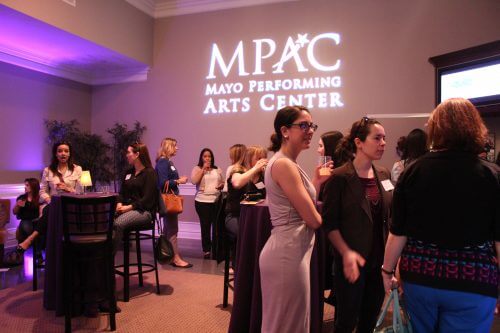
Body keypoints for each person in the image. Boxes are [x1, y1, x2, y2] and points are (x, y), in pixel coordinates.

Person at [382, 98, 499, 333]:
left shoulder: (412, 172)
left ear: (435, 129)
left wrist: (387, 270)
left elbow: (398, 232)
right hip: (474, 281)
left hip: (420, 278)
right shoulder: (492, 175)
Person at [322, 117, 393, 333]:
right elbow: (330, 224)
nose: (383, 143)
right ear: (359, 142)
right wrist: (346, 253)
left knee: (369, 321)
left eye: (384, 138)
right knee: (345, 322)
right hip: (351, 264)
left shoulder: (384, 174)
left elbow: (388, 219)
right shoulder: (340, 177)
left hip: (378, 263)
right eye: (377, 138)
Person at [259, 105, 322, 333]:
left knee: (289, 323)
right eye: (303, 125)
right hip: (287, 253)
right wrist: (325, 218)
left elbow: (303, 204)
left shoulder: (288, 162)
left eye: (311, 125)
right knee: (286, 326)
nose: (310, 131)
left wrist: (316, 182)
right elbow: (312, 219)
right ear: (285, 131)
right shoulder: (284, 164)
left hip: (292, 250)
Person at [17, 141, 82, 252]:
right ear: (55, 154)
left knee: (48, 211)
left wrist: (68, 189)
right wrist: (49, 199)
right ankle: (42, 248)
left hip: (71, 204)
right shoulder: (48, 170)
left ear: (70, 154)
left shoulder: (77, 169)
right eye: (60, 151)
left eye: (66, 151)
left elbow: (81, 192)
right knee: (50, 208)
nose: (63, 153)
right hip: (54, 204)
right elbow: (42, 191)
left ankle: (31, 239)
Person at [155, 138, 192, 268]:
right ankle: (176, 258)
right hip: (168, 199)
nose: (177, 148)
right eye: (175, 146)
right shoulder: (163, 162)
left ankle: (168, 255)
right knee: (172, 229)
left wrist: (177, 180)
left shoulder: (167, 161)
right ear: (168, 147)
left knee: (168, 228)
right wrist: (179, 181)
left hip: (169, 198)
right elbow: (162, 183)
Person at [114, 143, 158, 252]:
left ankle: (107, 260)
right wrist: (119, 204)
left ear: (137, 154)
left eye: (129, 152)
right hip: (126, 209)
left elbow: (147, 199)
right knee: (106, 221)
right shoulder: (128, 172)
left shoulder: (150, 173)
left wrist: (129, 207)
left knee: (118, 223)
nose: (126, 155)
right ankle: (101, 258)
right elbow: (121, 193)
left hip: (144, 212)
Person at [225, 145, 268, 238]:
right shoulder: (238, 171)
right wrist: (255, 169)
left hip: (256, 217)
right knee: (249, 234)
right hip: (236, 216)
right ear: (249, 159)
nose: (262, 161)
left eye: (264, 158)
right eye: (259, 158)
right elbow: (237, 183)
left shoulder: (262, 177)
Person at [191, 148, 224, 259]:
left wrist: (222, 185)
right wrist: (203, 170)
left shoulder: (217, 169)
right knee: (205, 226)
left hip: (216, 201)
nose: (207, 158)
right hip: (202, 201)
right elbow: (194, 181)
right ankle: (206, 250)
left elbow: (222, 182)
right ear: (201, 157)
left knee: (216, 226)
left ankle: (216, 249)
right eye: (205, 156)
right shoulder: (197, 168)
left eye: (209, 156)